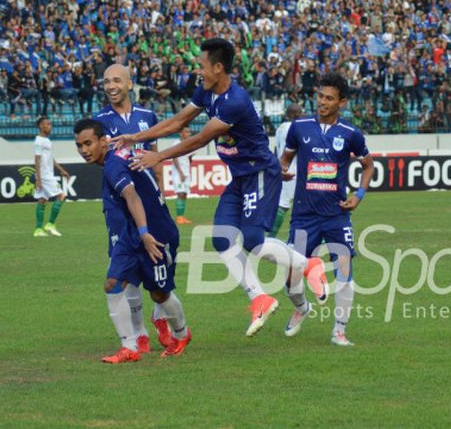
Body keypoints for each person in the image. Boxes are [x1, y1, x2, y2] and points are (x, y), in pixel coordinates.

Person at [110, 38, 328, 337]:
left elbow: (199, 139)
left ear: (218, 67)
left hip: (260, 173)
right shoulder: (208, 91)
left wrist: (158, 156)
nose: (197, 70)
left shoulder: (235, 101)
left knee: (252, 238)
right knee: (222, 239)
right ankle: (259, 297)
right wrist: (136, 137)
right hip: (240, 178)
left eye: (201, 66)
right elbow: (180, 120)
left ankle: (309, 264)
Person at [74, 119, 191, 362]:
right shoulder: (117, 156)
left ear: (103, 141)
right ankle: (130, 347)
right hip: (131, 234)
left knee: (160, 294)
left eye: (88, 143)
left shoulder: (112, 166)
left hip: (155, 233)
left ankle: (182, 333)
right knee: (112, 284)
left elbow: (132, 197)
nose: (84, 150)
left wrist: (145, 233)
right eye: (79, 146)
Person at [279, 73, 375, 346]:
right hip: (303, 215)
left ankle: (339, 331)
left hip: (336, 215)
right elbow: (285, 159)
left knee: (344, 269)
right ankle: (300, 307)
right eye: (320, 96)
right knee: (291, 274)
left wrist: (359, 195)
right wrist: (283, 169)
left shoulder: (350, 134)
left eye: (329, 98)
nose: (322, 102)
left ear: (341, 102)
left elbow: (368, 165)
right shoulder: (299, 127)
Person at [93, 63, 171, 345]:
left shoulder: (147, 116)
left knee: (159, 262)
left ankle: (160, 315)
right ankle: (139, 333)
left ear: (129, 84)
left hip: (150, 201)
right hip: (119, 204)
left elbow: (155, 156)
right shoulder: (99, 119)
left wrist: (162, 193)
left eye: (116, 80)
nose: (110, 86)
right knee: (128, 269)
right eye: (105, 82)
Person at [269, 103, 303, 238]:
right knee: (285, 205)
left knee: (282, 204)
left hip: (281, 169)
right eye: (300, 113)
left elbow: (276, 150)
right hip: (293, 171)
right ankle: (271, 236)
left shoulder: (280, 128)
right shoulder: (296, 128)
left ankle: (270, 236)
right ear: (297, 114)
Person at [33, 117, 69, 237]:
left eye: (50, 124)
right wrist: (38, 179)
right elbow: (37, 159)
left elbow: (50, 158)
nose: (50, 126)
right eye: (47, 124)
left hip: (46, 174)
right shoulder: (39, 141)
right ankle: (50, 224)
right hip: (44, 175)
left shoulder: (47, 141)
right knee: (62, 196)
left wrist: (61, 170)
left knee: (43, 200)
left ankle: (38, 230)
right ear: (41, 126)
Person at [171, 126, 194, 225]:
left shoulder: (189, 145)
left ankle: (182, 217)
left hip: (186, 173)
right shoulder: (176, 144)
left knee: (185, 194)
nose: (189, 134)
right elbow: (174, 158)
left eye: (189, 132)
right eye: (186, 132)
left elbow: (190, 158)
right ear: (181, 133)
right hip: (178, 173)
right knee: (180, 193)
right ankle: (179, 218)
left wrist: (187, 170)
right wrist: (180, 172)